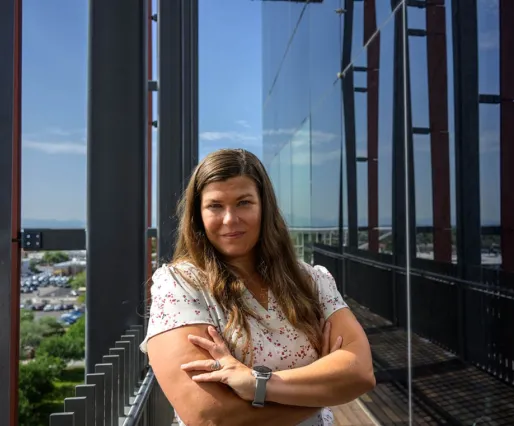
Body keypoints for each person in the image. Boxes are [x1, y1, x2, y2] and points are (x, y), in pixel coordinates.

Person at [140, 148, 375, 426]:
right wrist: (323, 389)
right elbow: (210, 416)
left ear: (264, 207)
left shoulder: (312, 280)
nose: (230, 219)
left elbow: (360, 374)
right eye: (215, 206)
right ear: (198, 215)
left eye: (243, 202)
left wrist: (256, 384)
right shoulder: (180, 285)